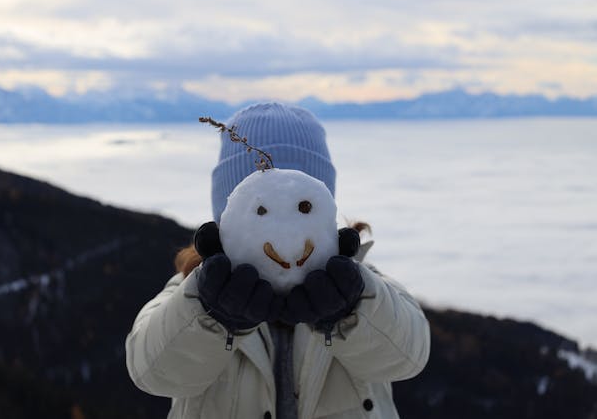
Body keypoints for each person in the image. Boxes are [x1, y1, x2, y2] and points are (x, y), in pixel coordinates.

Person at [125, 102, 430, 419]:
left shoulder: (360, 283)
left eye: (301, 209)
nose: (283, 234)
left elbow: (408, 355)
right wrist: (211, 316)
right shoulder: (193, 290)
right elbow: (152, 372)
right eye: (261, 213)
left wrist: (351, 311)